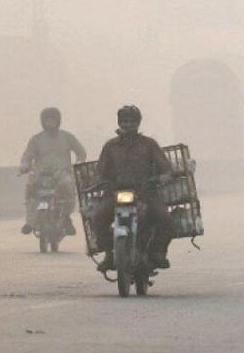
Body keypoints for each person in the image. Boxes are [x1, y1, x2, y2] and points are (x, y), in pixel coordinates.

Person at [92, 105, 174, 272]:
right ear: (119, 122)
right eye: (124, 121)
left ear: (138, 123)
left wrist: (162, 178)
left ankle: (158, 252)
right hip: (115, 193)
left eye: (132, 121)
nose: (128, 125)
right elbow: (99, 172)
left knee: (166, 219)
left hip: (146, 193)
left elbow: (166, 169)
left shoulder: (149, 144)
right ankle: (109, 254)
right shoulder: (110, 146)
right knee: (97, 218)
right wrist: (101, 181)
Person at [20, 107, 86, 236]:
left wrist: (79, 162)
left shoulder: (67, 137)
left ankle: (66, 218)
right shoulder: (36, 139)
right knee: (30, 189)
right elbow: (27, 156)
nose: (50, 123)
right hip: (40, 174)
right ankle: (30, 222)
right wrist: (25, 165)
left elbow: (81, 152)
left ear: (58, 121)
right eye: (47, 120)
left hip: (62, 173)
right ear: (42, 122)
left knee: (68, 186)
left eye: (53, 120)